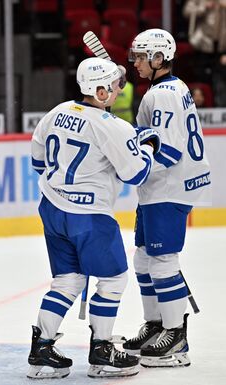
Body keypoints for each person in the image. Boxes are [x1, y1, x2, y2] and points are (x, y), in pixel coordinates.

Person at [29, 57, 160, 379]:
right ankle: (102, 351)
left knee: (67, 281)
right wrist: (147, 146)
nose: (118, 90)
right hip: (89, 216)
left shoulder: (56, 112)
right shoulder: (113, 126)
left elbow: (37, 162)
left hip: (52, 207)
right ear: (99, 90)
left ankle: (41, 350)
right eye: (114, 85)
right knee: (114, 279)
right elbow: (138, 174)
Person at [123, 29, 212, 368]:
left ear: (159, 59)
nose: (136, 64)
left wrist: (132, 163)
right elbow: (156, 137)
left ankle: (176, 335)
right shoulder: (173, 89)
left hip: (168, 186)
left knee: (162, 261)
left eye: (142, 57)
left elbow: (168, 151)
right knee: (144, 259)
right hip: (163, 187)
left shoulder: (160, 95)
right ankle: (157, 324)